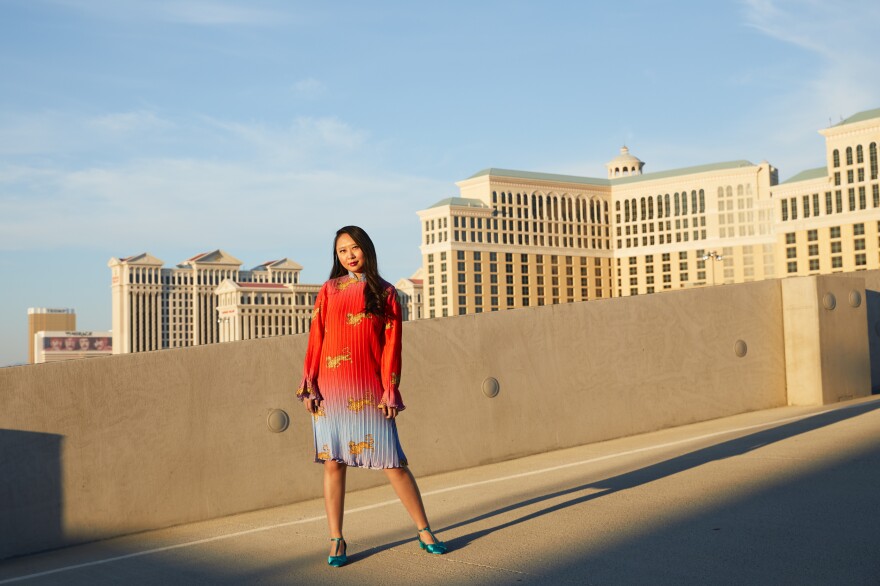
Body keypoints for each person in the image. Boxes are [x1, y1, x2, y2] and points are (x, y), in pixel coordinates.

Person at [297, 226, 446, 568]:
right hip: (331, 388)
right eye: (341, 251)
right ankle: (336, 538)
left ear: (366, 249)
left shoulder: (387, 293)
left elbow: (393, 346)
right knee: (334, 463)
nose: (348, 256)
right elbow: (316, 338)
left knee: (394, 464)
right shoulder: (329, 290)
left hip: (369, 390)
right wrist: (309, 384)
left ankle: (424, 530)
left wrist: (390, 390)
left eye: (354, 248)